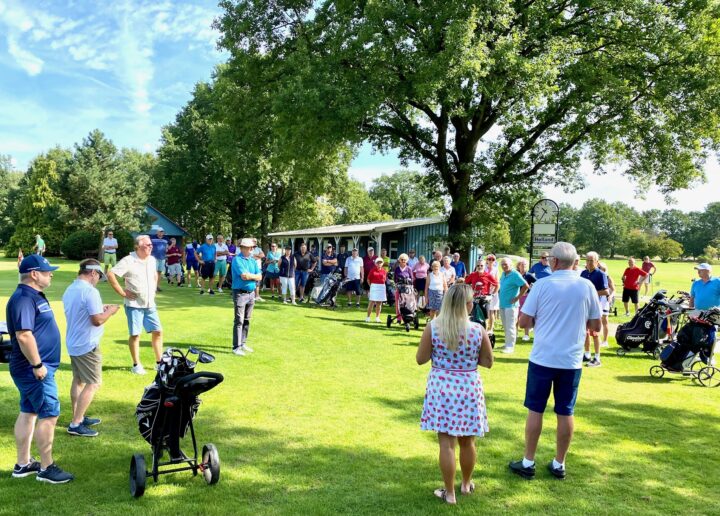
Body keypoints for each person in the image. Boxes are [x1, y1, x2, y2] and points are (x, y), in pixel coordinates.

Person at [510, 242, 601, 480]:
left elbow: (523, 322)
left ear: (555, 261)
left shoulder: (542, 285)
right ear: (575, 262)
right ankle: (559, 463)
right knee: (565, 411)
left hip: (543, 357)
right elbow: (596, 326)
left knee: (535, 409)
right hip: (571, 360)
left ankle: (528, 461)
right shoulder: (587, 286)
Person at [416, 283, 493, 505]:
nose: (472, 305)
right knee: (467, 442)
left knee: (446, 444)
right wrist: (468, 360)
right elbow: (488, 362)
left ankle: (449, 493)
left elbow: (421, 358)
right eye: (470, 302)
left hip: (441, 387)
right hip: (468, 387)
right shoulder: (477, 330)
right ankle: (466, 484)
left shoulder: (434, 327)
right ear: (464, 305)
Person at [7, 255, 74, 483]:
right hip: (34, 369)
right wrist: (37, 365)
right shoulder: (24, 298)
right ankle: (47, 468)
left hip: (36, 368)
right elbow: (24, 335)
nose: (51, 274)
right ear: (34, 274)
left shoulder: (33, 296)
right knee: (50, 413)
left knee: (29, 411)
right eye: (47, 271)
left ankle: (23, 464)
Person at [62, 259, 120, 437]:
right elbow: (97, 320)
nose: (98, 280)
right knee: (93, 383)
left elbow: (83, 311)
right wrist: (110, 311)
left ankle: (77, 415)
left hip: (74, 342)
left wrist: (100, 309)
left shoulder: (71, 289)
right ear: (93, 273)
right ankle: (76, 423)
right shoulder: (90, 291)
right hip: (87, 344)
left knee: (78, 380)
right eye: (99, 276)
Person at [107, 235, 163, 375]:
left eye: (151, 245)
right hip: (134, 305)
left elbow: (155, 275)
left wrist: (154, 288)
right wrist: (122, 292)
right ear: (137, 246)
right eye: (147, 245)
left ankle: (159, 363)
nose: (150, 247)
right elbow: (111, 274)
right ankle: (136, 365)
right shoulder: (129, 260)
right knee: (136, 334)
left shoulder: (151, 260)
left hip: (150, 304)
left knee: (158, 331)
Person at [231, 238, 262, 355]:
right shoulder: (237, 260)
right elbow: (244, 276)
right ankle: (236, 347)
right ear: (243, 248)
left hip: (251, 293)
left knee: (247, 320)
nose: (251, 250)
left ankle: (243, 343)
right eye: (249, 248)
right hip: (240, 293)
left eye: (252, 248)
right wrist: (253, 276)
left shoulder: (252, 260)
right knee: (239, 320)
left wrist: (251, 276)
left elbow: (260, 276)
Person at [580, 252, 609, 368]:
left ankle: (597, 357)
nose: (589, 262)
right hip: (584, 306)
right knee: (585, 332)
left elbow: (606, 291)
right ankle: (587, 354)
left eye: (591, 260)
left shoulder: (600, 274)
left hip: (594, 307)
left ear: (597, 262)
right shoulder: (583, 273)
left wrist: (591, 293)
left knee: (595, 333)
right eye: (587, 260)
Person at [498, 257, 529, 354]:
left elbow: (526, 286)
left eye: (506, 264)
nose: (504, 266)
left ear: (511, 265)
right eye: (502, 264)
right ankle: (507, 343)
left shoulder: (515, 274)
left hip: (511, 305)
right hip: (503, 303)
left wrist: (518, 297)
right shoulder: (503, 274)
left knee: (510, 326)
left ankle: (510, 346)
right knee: (505, 325)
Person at [516, 259, 536, 342]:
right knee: (515, 316)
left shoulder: (529, 275)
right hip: (516, 297)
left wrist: (531, 288)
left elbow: (537, 282)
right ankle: (515, 333)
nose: (523, 266)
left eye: (525, 264)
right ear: (518, 266)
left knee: (526, 315)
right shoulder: (515, 275)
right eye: (522, 264)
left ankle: (526, 334)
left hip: (526, 297)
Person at [597, 262, 616, 348]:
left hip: (605, 300)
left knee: (604, 320)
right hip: (597, 299)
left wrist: (610, 297)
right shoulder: (596, 276)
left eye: (600, 268)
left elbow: (613, 290)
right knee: (596, 320)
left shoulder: (608, 278)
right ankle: (598, 338)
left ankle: (605, 340)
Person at [366, 258, 388, 323]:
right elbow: (368, 279)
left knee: (379, 303)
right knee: (371, 302)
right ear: (376, 263)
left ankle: (377, 317)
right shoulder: (372, 270)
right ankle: (368, 317)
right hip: (374, 286)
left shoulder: (384, 271)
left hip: (381, 287)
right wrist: (371, 286)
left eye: (380, 262)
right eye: (378, 262)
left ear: (382, 263)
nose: (379, 264)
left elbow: (385, 280)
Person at [485, 254, 500, 334]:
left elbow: (497, 282)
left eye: (492, 259)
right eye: (489, 259)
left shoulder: (496, 270)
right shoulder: (483, 268)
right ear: (487, 260)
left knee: (491, 311)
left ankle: (491, 328)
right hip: (485, 292)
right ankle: (486, 327)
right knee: (486, 311)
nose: (491, 261)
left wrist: (493, 293)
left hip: (493, 292)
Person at [150, 228, 168, 292]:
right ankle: (153, 287)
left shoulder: (165, 239)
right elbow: (149, 246)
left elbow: (167, 246)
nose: (161, 233)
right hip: (154, 257)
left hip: (162, 257)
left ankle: (157, 286)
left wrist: (167, 249)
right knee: (154, 272)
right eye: (160, 232)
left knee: (159, 272)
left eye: (162, 232)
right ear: (157, 232)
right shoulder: (152, 238)